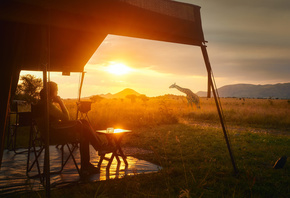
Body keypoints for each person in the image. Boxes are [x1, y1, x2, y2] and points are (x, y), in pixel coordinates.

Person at [37, 81, 109, 175]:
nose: (57, 94)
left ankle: (97, 150)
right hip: (54, 134)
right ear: (52, 92)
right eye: (56, 91)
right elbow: (66, 118)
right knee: (84, 132)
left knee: (84, 122)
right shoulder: (48, 105)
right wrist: (60, 102)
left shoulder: (41, 103)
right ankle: (93, 156)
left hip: (50, 132)